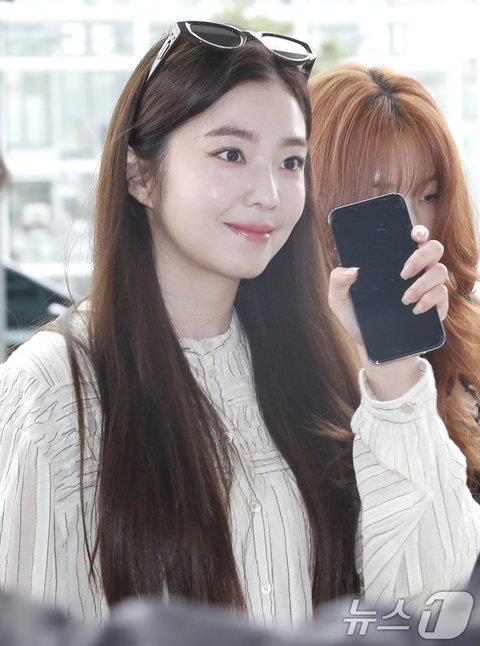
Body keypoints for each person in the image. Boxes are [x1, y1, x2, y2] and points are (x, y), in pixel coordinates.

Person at [0, 21, 478, 630]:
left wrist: (393, 370)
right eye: (231, 154)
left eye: (291, 161)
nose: (269, 193)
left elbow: (423, 602)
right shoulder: (51, 388)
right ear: (140, 175)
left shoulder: (318, 365)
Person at [308, 62, 480, 492]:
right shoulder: (281, 357)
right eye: (382, 199)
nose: (415, 227)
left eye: (429, 195)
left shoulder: (466, 332)